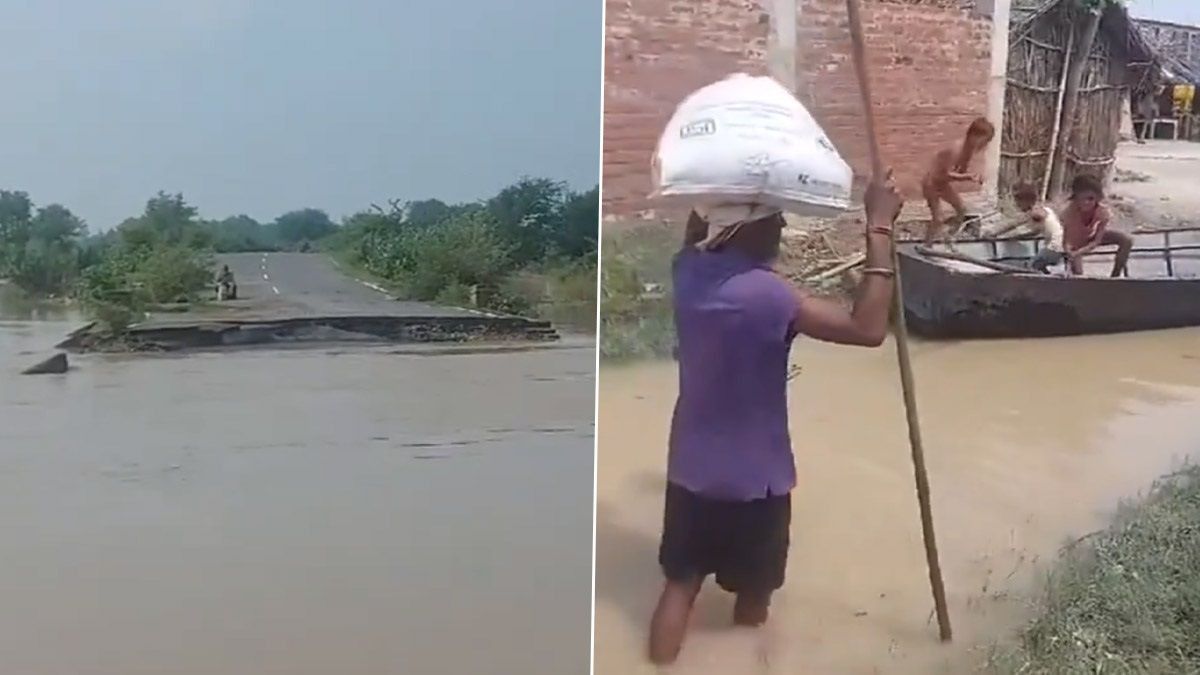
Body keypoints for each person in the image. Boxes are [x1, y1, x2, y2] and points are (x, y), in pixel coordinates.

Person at [648, 172, 903, 666]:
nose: (782, 224)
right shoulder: (771, 297)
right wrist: (878, 225)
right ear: (742, 230)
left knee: (679, 587)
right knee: (754, 597)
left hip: (690, 469)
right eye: (771, 218)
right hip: (757, 477)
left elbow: (694, 234)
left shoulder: (686, 274)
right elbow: (868, 329)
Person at [921, 116, 995, 249]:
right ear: (975, 136)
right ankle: (927, 246)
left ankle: (949, 238)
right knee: (938, 218)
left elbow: (959, 171)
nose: (985, 144)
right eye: (985, 140)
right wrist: (968, 177)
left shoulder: (969, 151)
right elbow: (946, 174)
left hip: (943, 184)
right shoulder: (955, 149)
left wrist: (976, 176)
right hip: (931, 182)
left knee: (962, 210)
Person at [981, 182, 1066, 274]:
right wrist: (1016, 238)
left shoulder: (1035, 212)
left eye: (1018, 202)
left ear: (1026, 201)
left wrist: (993, 233)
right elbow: (1035, 232)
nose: (1017, 205)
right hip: (1061, 246)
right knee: (1038, 266)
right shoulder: (1045, 209)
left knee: (1031, 267)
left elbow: (1014, 224)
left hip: (1054, 247)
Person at [1060, 174, 1132, 278]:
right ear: (1076, 198)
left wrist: (1081, 250)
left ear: (1097, 198)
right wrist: (1072, 253)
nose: (1086, 202)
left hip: (1091, 236)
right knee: (1078, 277)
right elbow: (1067, 241)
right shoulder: (1069, 213)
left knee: (1127, 240)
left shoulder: (1102, 212)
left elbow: (1097, 240)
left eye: (1091, 199)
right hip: (1076, 241)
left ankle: (1115, 276)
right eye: (1082, 199)